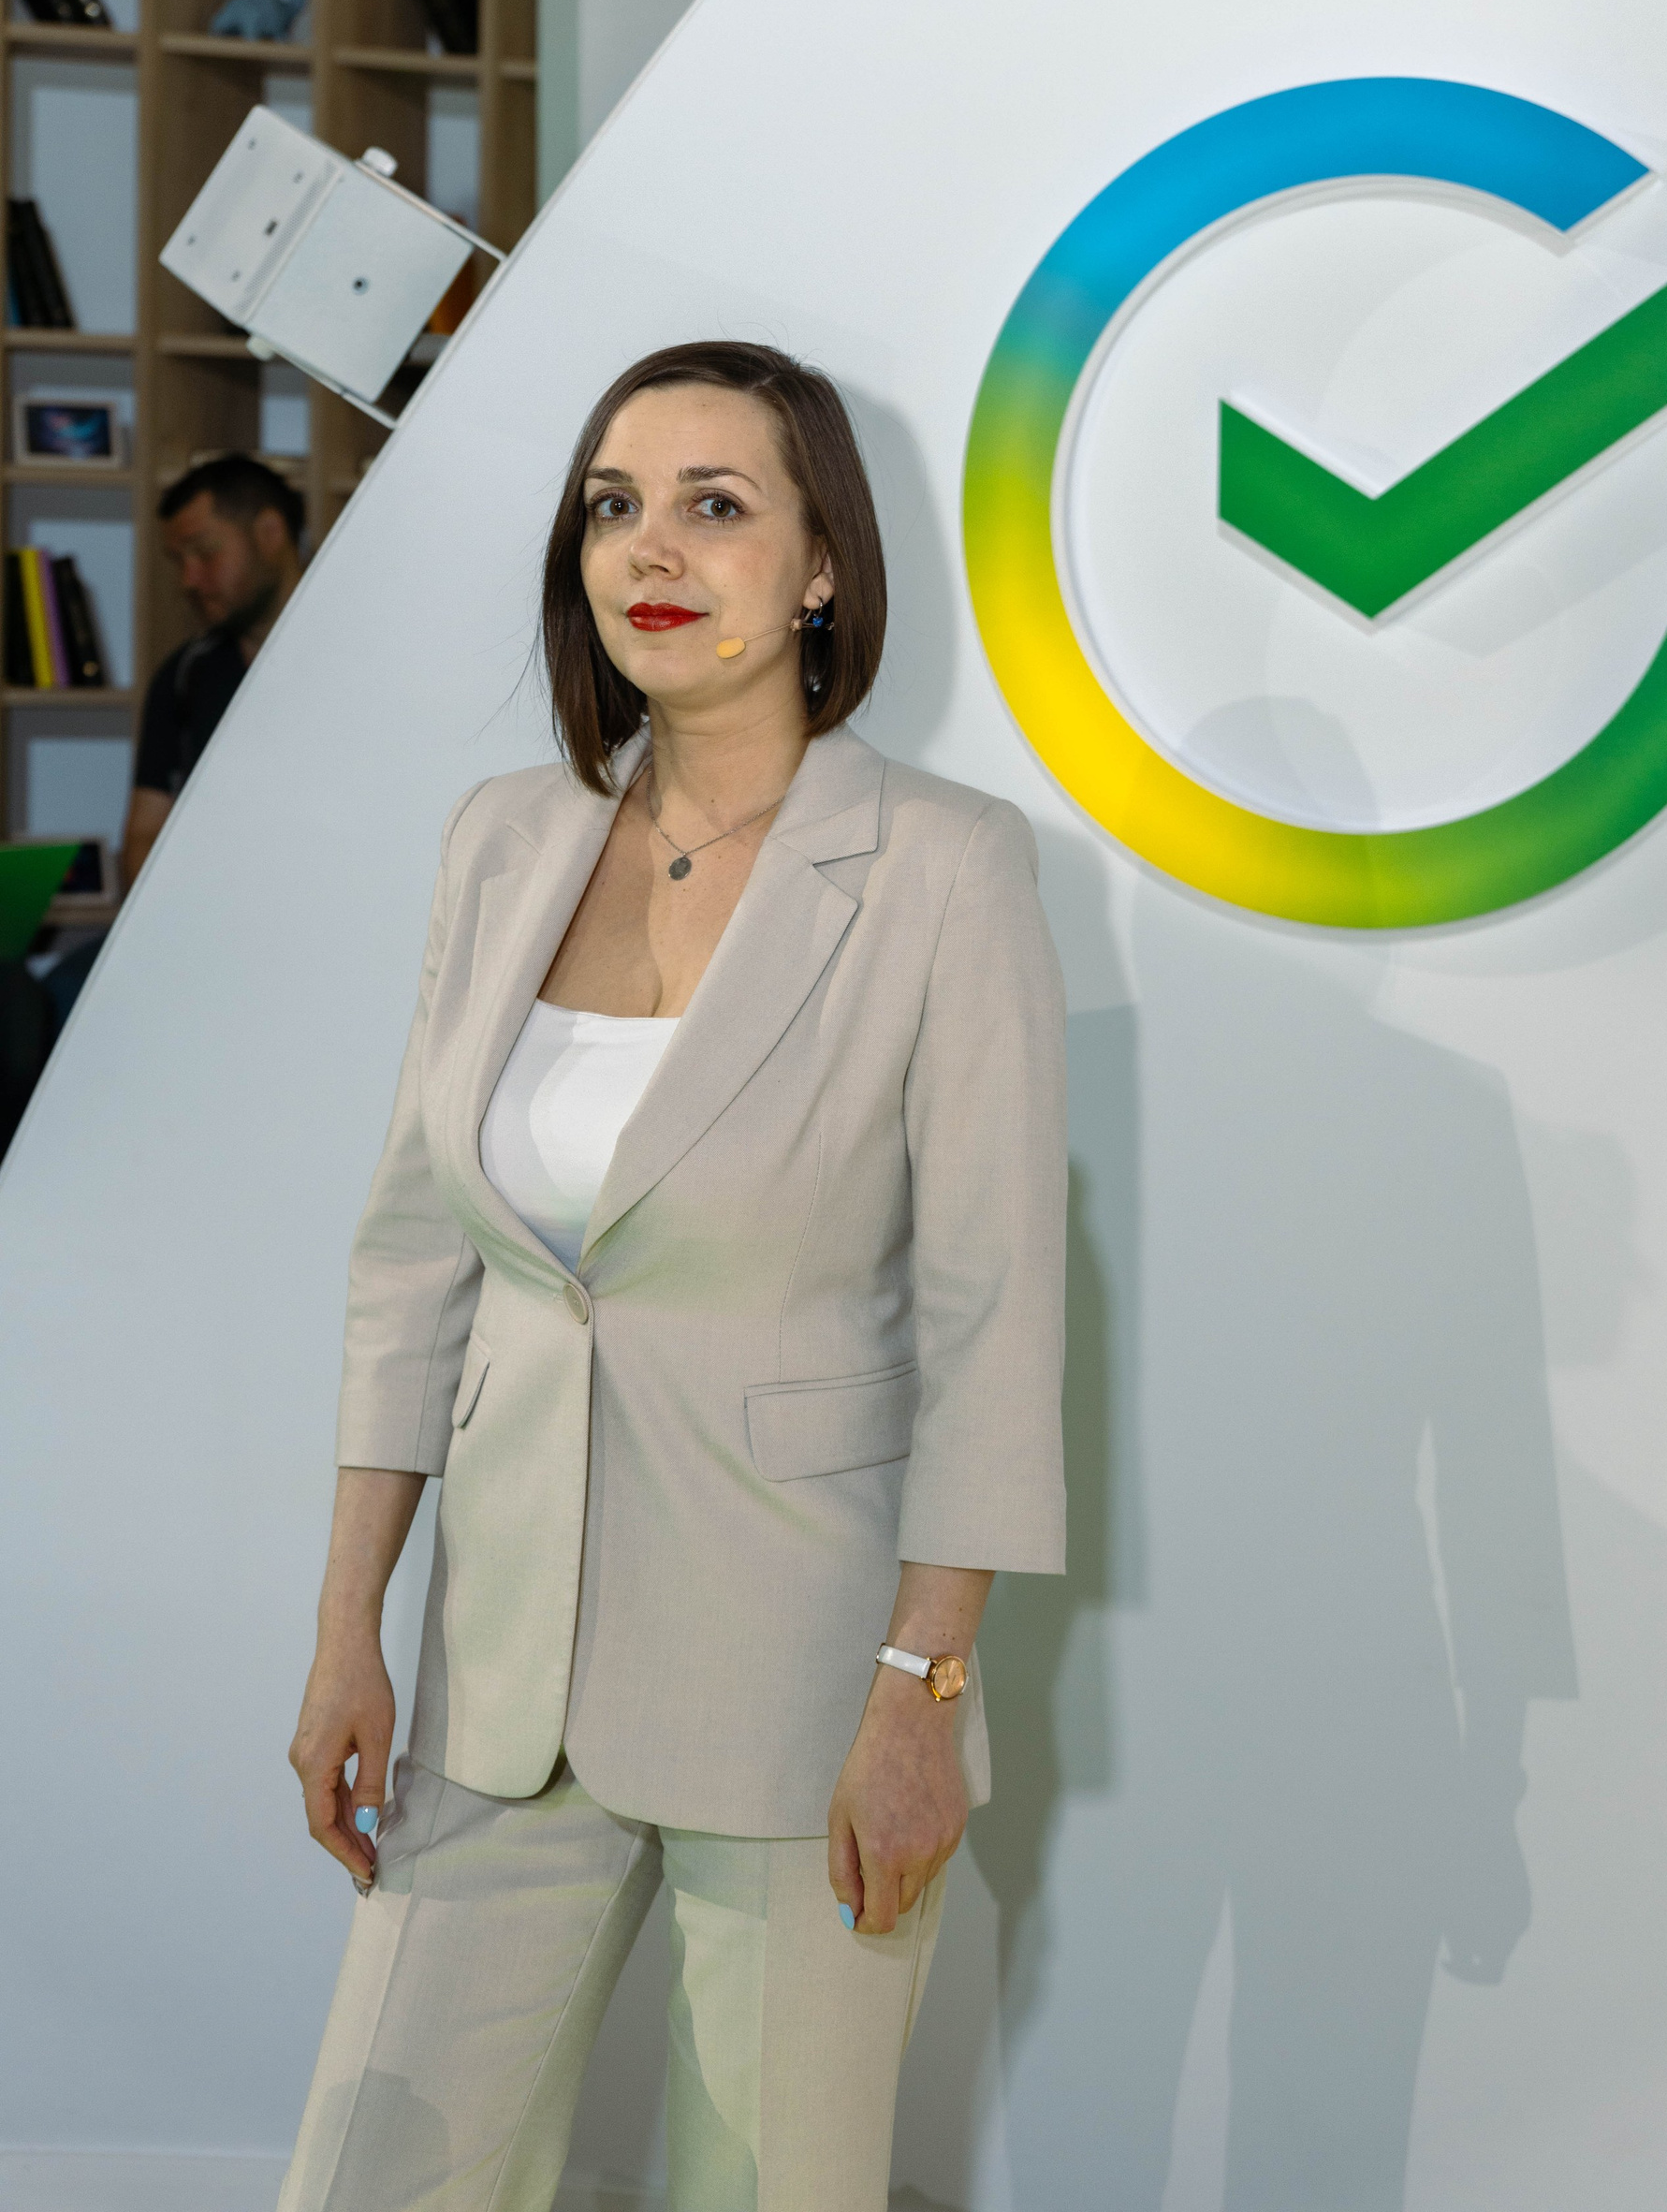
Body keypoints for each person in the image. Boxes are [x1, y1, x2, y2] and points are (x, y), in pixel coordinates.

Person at [280, 341, 1068, 2212]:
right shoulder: (505, 842)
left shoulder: (944, 867)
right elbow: (414, 1259)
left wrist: (922, 1694)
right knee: (374, 2176)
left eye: (718, 505)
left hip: (807, 1672)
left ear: (821, 565)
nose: (653, 548)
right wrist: (347, 1628)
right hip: (496, 1677)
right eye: (614, 505)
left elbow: (994, 1314)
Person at [122, 453, 305, 891]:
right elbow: (144, 833)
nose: (188, 580)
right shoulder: (184, 676)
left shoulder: (362, 663)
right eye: (178, 560)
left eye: (205, 553)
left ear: (270, 533)